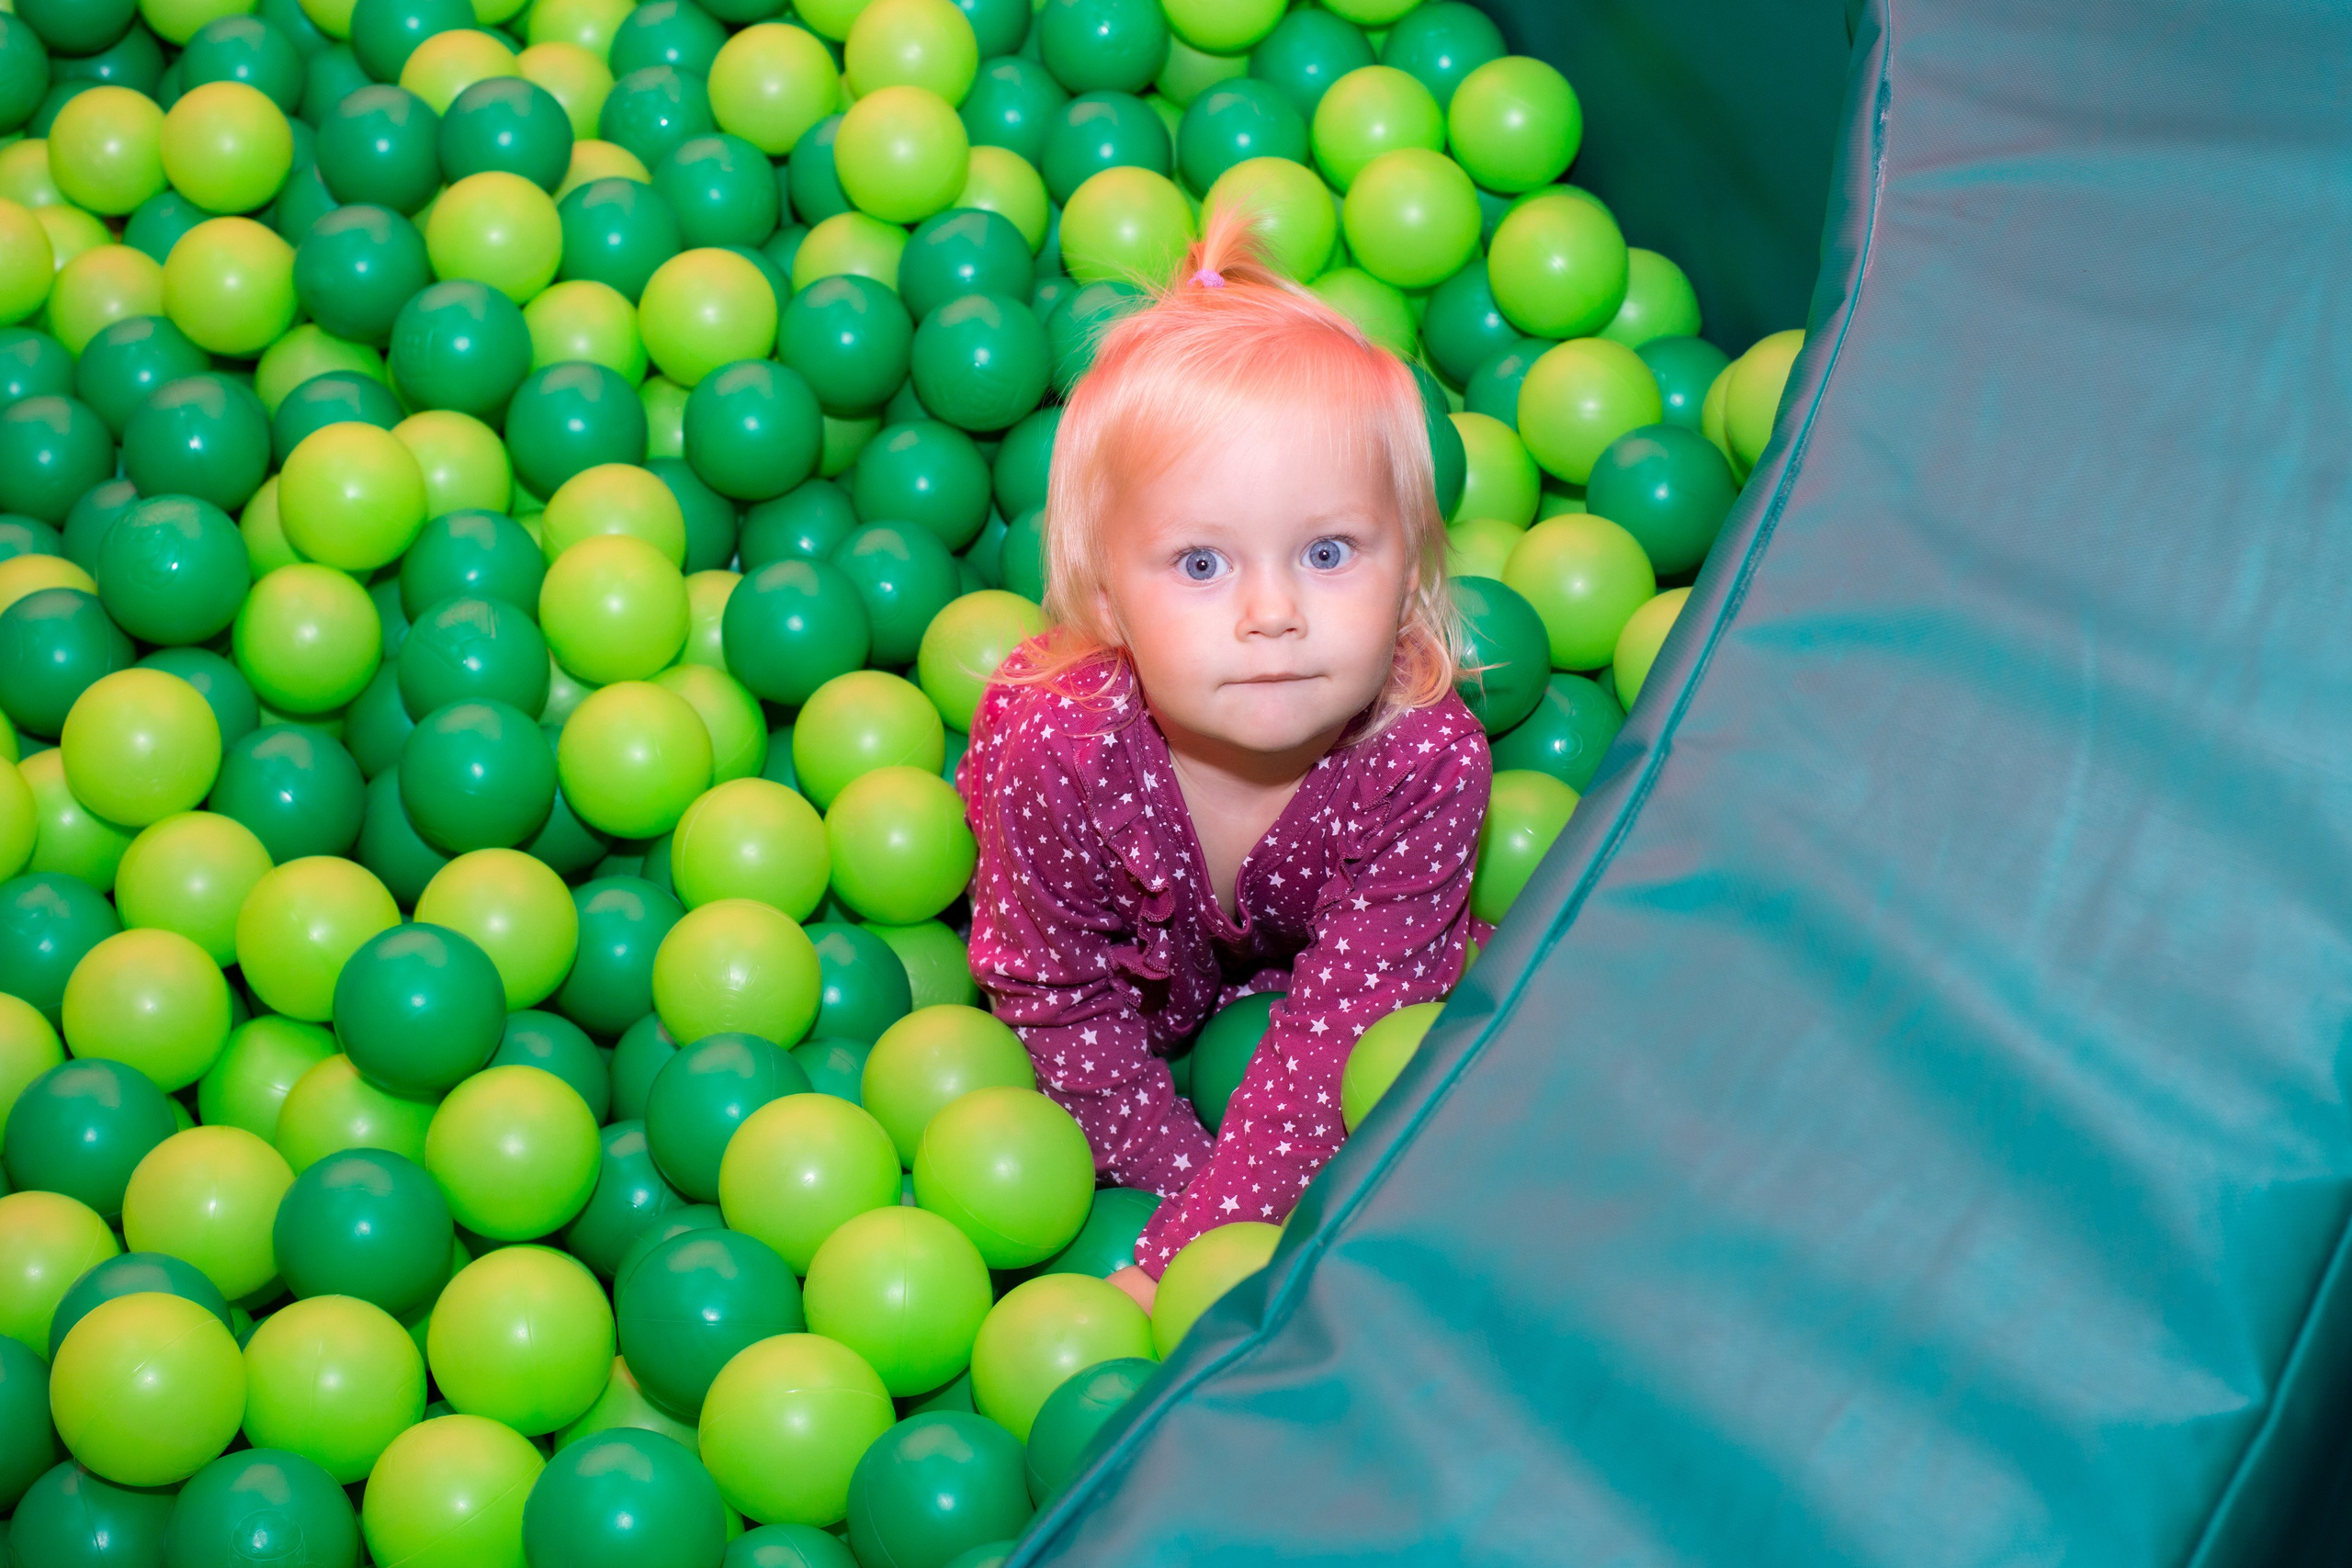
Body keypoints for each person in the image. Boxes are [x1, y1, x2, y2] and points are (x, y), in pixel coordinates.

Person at [956, 208, 1492, 1312]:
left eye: (1329, 551)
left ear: (1410, 572)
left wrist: (1205, 1246)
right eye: (1200, 563)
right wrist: (1179, 1199)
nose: (1272, 614)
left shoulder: (1423, 760)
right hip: (1106, 1017)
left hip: (1290, 1026)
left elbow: (1343, 1036)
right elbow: (1057, 1001)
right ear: (1108, 599)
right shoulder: (1057, 749)